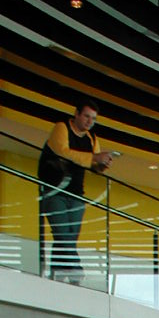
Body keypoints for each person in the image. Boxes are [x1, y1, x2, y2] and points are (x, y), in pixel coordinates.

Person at [37, 99, 113, 284]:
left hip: (77, 194)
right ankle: (77, 273)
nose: (89, 121)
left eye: (93, 119)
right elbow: (63, 152)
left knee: (67, 239)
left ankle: (57, 276)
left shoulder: (92, 138)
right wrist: (94, 157)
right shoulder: (62, 128)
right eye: (86, 116)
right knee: (64, 236)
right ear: (76, 114)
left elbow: (92, 164)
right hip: (55, 191)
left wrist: (101, 165)